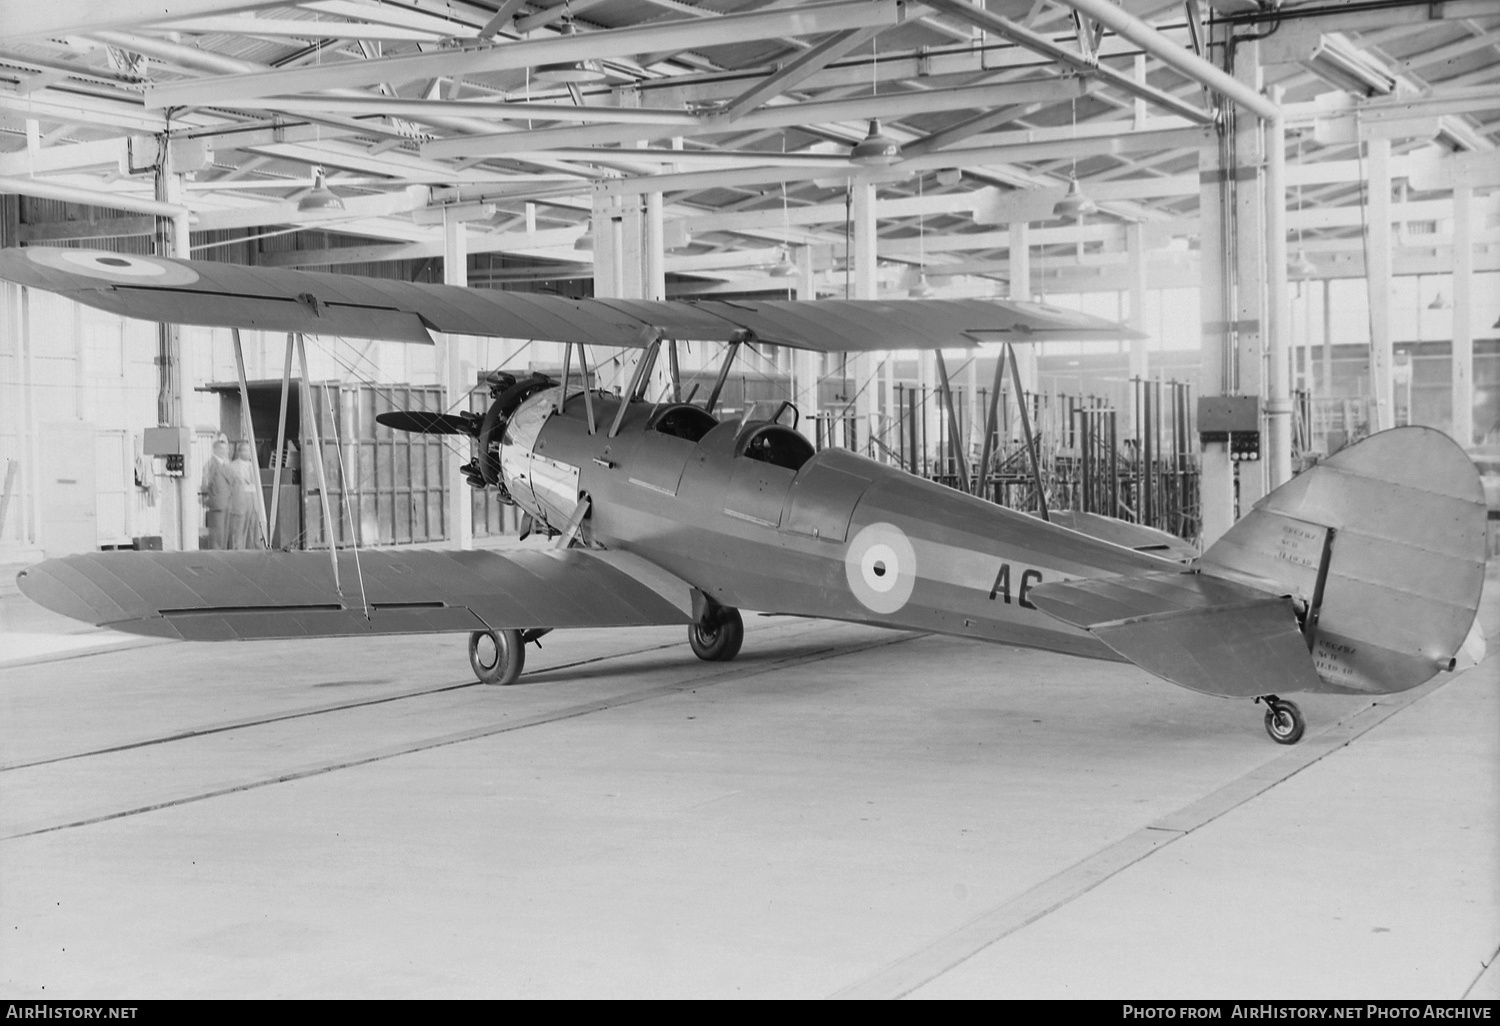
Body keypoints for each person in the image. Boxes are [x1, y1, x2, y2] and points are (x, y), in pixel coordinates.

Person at [199, 435, 233, 549]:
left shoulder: (225, 465)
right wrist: (211, 499)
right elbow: (205, 485)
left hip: (226, 504)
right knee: (217, 537)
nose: (225, 451)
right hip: (216, 505)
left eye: (226, 449)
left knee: (224, 536)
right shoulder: (211, 464)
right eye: (222, 449)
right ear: (215, 450)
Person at [227, 441, 263, 549]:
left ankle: (254, 548)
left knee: (254, 527)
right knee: (240, 528)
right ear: (239, 451)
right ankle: (238, 549)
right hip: (241, 499)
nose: (248, 453)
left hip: (254, 499)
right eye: (246, 450)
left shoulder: (253, 465)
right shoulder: (233, 466)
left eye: (250, 450)